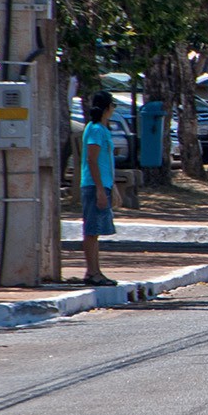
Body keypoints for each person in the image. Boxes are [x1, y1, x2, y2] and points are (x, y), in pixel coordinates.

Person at [78, 91, 118, 286]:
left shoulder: (103, 130)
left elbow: (107, 162)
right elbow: (91, 160)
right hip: (94, 185)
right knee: (91, 230)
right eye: (113, 106)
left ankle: (96, 271)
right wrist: (100, 189)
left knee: (96, 231)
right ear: (106, 108)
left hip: (103, 184)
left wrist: (113, 187)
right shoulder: (94, 129)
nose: (113, 110)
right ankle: (91, 273)